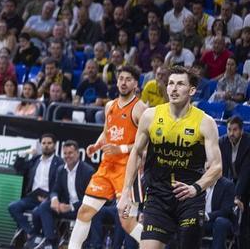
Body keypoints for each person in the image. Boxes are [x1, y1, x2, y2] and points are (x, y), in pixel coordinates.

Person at [117, 66, 223, 249]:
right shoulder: (150, 116)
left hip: (189, 197)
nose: (173, 89)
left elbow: (217, 167)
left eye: (180, 84)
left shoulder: (205, 122)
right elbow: (135, 152)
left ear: (191, 90)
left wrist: (195, 188)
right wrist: (126, 192)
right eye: (171, 83)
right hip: (157, 195)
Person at [68, 66, 147, 249]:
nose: (123, 83)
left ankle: (155, 246)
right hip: (106, 167)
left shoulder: (140, 109)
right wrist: (97, 145)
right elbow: (106, 133)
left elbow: (145, 146)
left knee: (127, 222)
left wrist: (119, 149)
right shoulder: (110, 105)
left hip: (128, 170)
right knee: (84, 212)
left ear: (136, 84)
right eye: (121, 79)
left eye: (128, 79)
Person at [28, 141, 95, 249]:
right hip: (64, 207)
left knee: (41, 209)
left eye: (70, 153)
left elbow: (90, 198)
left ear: (78, 154)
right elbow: (55, 189)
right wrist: (54, 199)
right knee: (44, 207)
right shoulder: (61, 170)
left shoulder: (88, 171)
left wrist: (71, 207)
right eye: (65, 153)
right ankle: (51, 241)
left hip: (81, 210)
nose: (67, 156)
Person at [8, 134, 64, 247]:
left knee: (38, 211)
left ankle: (49, 241)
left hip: (49, 199)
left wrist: (51, 197)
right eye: (44, 143)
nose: (46, 146)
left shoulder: (60, 163)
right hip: (32, 198)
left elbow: (61, 185)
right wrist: (23, 155)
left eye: (49, 143)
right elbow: (19, 168)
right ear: (40, 145)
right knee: (13, 206)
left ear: (55, 145)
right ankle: (31, 233)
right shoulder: (35, 160)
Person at [204, 177, 238, 249]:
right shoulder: (200, 183)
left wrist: (207, 216)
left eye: (210, 168)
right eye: (206, 169)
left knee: (220, 222)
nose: (207, 171)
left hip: (223, 221)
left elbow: (225, 211)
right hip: (204, 222)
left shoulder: (227, 185)